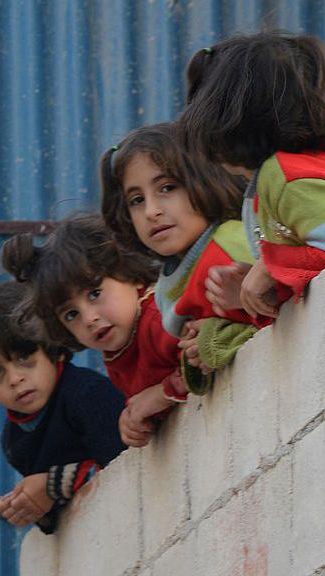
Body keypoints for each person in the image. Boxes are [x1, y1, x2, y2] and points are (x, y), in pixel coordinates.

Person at [179, 32, 325, 319]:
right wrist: (254, 289)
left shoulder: (289, 177)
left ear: (233, 118)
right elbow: (320, 269)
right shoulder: (268, 183)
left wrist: (270, 265)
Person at [0, 281, 126, 533]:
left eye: (24, 357)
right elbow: (61, 522)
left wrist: (52, 486)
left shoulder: (89, 395)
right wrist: (28, 506)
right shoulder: (15, 441)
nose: (15, 379)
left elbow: (126, 468)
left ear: (51, 347)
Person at [100, 123, 260, 394]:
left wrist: (215, 338)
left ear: (206, 178)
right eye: (137, 200)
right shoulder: (168, 285)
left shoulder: (232, 245)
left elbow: (289, 314)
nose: (151, 211)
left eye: (167, 187)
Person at [1, 214, 186, 448]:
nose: (89, 319)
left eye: (95, 294)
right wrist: (133, 421)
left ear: (131, 274)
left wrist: (161, 394)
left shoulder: (158, 319)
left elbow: (204, 360)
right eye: (71, 314)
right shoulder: (119, 352)